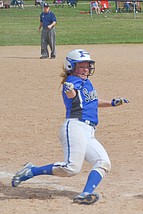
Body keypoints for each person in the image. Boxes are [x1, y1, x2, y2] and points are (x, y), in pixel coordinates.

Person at [11, 49, 129, 205]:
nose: (85, 69)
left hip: (89, 131)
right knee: (72, 168)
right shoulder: (72, 81)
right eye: (81, 66)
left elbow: (91, 102)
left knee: (103, 162)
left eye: (87, 66)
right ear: (71, 67)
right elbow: (71, 94)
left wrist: (112, 103)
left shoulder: (87, 82)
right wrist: (70, 90)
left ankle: (86, 193)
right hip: (75, 127)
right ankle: (32, 170)